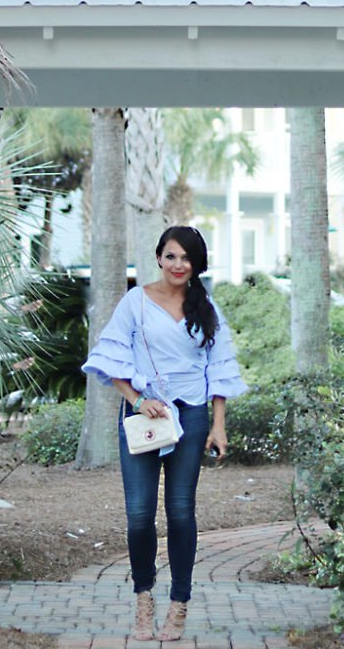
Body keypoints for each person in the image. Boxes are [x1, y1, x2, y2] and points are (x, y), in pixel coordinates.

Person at [82, 225, 246, 641]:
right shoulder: (135, 302)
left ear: (197, 265)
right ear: (158, 258)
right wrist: (138, 401)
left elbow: (220, 369)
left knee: (180, 512)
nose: (178, 265)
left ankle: (179, 606)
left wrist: (218, 426)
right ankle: (143, 599)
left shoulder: (205, 306)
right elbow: (110, 358)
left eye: (186, 258)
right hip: (143, 417)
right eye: (171, 256)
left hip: (190, 418)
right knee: (139, 516)